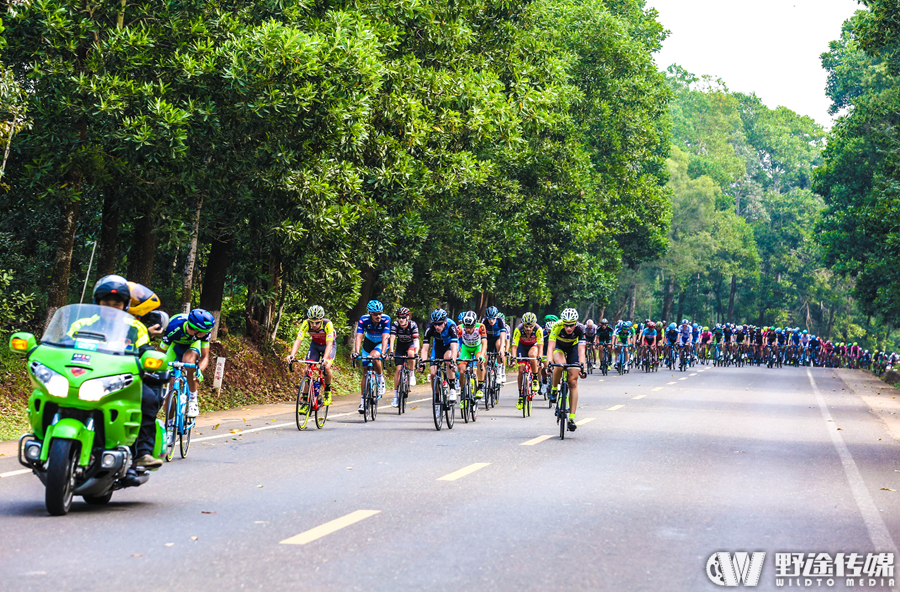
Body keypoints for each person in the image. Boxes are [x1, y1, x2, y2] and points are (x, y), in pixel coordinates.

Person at [85, 275, 163, 471]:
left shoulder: (136, 328)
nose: (111, 308)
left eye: (116, 303)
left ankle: (143, 453)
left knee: (148, 399)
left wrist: (149, 358)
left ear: (125, 305)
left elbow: (144, 350)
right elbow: (64, 345)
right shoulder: (84, 323)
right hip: (87, 379)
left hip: (123, 381)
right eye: (106, 302)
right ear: (98, 303)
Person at [160, 308, 216, 418]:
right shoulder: (173, 328)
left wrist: (198, 370)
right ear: (196, 330)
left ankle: (193, 400)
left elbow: (205, 357)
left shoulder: (203, 333)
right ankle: (170, 425)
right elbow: (160, 353)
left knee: (189, 362)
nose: (208, 333)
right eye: (206, 331)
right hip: (174, 347)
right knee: (170, 388)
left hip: (191, 347)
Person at [546, 308, 586, 432]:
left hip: (573, 348)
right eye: (566, 325)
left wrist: (582, 366)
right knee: (560, 364)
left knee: (573, 382)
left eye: (571, 325)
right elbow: (550, 347)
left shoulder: (581, 329)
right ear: (562, 322)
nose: (569, 328)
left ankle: (572, 418)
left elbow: (581, 350)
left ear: (576, 323)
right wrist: (548, 363)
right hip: (559, 347)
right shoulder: (557, 326)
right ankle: (553, 390)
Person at [287, 305, 336, 407]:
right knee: (307, 369)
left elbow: (330, 344)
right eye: (312, 322)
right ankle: (305, 397)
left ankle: (327, 390)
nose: (314, 325)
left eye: (317, 322)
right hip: (315, 345)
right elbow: (298, 340)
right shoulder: (306, 324)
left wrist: (325, 358)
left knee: (326, 367)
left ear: (321, 320)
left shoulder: (328, 324)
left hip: (328, 345)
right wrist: (292, 355)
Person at [352, 300, 392, 412]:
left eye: (380, 313)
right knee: (365, 373)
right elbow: (359, 336)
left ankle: (380, 379)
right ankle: (362, 403)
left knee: (374, 356)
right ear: (370, 314)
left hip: (380, 343)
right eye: (375, 314)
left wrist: (383, 352)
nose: (378, 316)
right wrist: (356, 351)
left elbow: (385, 337)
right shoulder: (363, 319)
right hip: (368, 343)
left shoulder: (386, 319)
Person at [420, 308, 459, 400]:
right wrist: (422, 363)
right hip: (437, 346)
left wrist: (453, 361)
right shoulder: (430, 328)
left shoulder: (451, 326)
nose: (437, 327)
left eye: (440, 324)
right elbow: (425, 349)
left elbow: (454, 347)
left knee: (448, 359)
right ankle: (436, 397)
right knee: (433, 373)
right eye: (435, 324)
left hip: (449, 345)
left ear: (445, 321)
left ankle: (452, 389)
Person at [388, 307, 419, 407]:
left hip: (410, 345)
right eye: (399, 317)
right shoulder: (396, 324)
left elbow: (416, 341)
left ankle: (411, 373)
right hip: (400, 346)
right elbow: (392, 338)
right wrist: (391, 352)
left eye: (403, 317)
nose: (401, 319)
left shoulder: (413, 325)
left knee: (411, 354)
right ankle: (396, 396)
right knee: (398, 370)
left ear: (408, 317)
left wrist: (416, 352)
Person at [511, 312, 544, 406]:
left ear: (534, 325)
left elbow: (541, 346)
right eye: (526, 326)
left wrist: (540, 358)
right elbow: (514, 346)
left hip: (534, 346)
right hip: (522, 346)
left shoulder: (538, 329)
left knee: (532, 354)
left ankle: (535, 379)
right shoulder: (518, 329)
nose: (528, 329)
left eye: (531, 326)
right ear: (523, 324)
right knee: (521, 370)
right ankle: (521, 395)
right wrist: (513, 358)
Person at [457, 311, 487, 399]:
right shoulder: (459, 328)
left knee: (480, 361)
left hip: (477, 347)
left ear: (475, 324)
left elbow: (484, 342)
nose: (468, 329)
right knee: (461, 370)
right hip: (466, 348)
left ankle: (480, 387)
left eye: (470, 327)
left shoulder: (481, 327)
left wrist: (482, 354)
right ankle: (462, 392)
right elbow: (456, 343)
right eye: (466, 326)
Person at [481, 307, 509, 382]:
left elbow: (503, 337)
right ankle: (483, 379)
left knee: (499, 346)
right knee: (484, 359)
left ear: (496, 316)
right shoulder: (484, 321)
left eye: (493, 318)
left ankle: (500, 372)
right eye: (489, 318)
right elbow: (481, 336)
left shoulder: (500, 320)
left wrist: (501, 349)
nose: (491, 321)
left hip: (497, 338)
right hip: (487, 339)